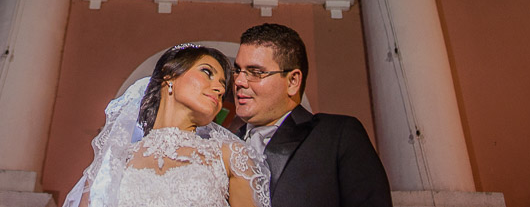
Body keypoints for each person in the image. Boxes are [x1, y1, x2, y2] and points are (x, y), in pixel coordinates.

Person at [64, 43, 270, 207]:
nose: (218, 88)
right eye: (207, 72)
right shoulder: (117, 159)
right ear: (169, 75)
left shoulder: (230, 155)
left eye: (222, 85)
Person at [234, 24, 392, 207]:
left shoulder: (337, 135)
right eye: (237, 70)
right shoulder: (222, 143)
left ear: (293, 81)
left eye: (256, 72)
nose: (239, 81)